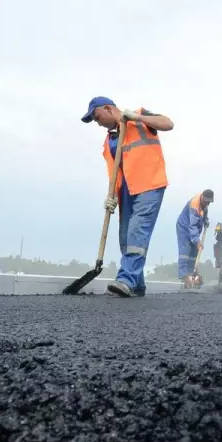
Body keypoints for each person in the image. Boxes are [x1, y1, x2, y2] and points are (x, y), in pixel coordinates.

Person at [81, 96, 174, 298]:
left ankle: (126, 279)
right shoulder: (109, 141)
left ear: (108, 108)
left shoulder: (139, 117)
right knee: (126, 239)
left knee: (137, 232)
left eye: (97, 117)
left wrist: (137, 118)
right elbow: (114, 172)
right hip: (126, 191)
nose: (97, 123)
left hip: (149, 184)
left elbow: (168, 123)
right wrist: (111, 196)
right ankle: (137, 285)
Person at [176, 189, 214, 287]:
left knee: (194, 254)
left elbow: (204, 215)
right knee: (185, 253)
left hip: (194, 231)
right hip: (184, 228)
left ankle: (191, 275)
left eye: (209, 202)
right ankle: (185, 277)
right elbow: (192, 225)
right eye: (206, 201)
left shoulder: (205, 205)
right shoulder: (194, 204)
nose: (207, 204)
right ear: (202, 197)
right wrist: (197, 241)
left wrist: (205, 221)